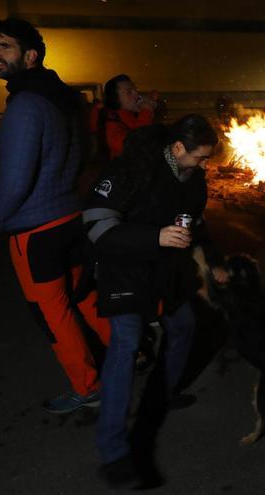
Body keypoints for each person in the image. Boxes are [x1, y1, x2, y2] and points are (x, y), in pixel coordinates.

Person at [82, 114, 227, 487]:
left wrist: (214, 261)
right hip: (123, 268)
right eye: (200, 157)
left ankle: (163, 392)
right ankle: (114, 453)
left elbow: (196, 223)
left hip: (164, 269)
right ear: (177, 148)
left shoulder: (193, 180)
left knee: (185, 326)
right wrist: (154, 237)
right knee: (126, 342)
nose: (205, 166)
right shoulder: (133, 168)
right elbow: (95, 222)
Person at [0, 18, 111, 413]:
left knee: (52, 312)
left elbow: (14, 180)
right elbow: (82, 157)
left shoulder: (25, 104)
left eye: (4, 46)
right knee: (84, 296)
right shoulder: (63, 99)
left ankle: (88, 387)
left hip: (34, 229)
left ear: (30, 56)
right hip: (69, 217)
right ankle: (131, 351)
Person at [92, 74, 154, 161]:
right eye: (129, 92)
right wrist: (146, 112)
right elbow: (135, 146)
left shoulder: (131, 116)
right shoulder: (111, 122)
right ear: (116, 99)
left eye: (136, 90)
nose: (137, 95)